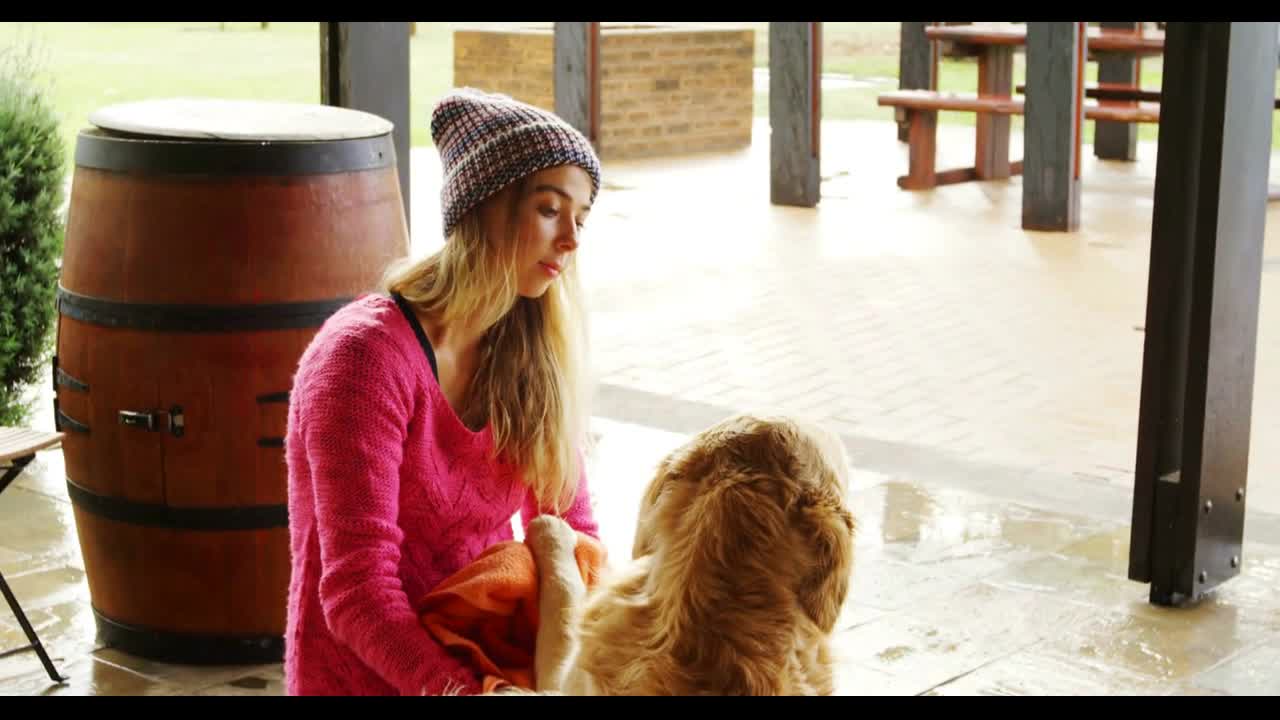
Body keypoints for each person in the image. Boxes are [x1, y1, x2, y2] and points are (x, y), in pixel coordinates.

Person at [282, 88, 603, 696]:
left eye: (580, 219)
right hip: (368, 678)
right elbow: (356, 593)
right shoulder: (362, 360)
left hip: (488, 663)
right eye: (548, 209)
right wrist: (466, 691)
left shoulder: (530, 352)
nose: (571, 240)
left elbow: (570, 528)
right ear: (485, 206)